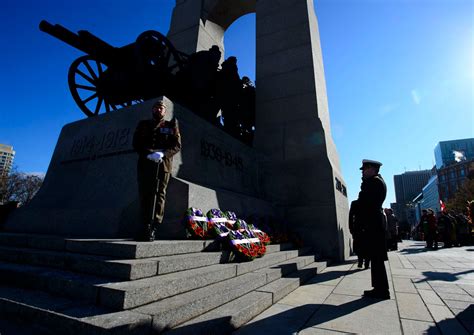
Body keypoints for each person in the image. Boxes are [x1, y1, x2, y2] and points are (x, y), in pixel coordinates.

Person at [132, 100, 181, 241]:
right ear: (152, 110)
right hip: (145, 163)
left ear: (165, 111)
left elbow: (177, 145)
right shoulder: (143, 125)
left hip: (163, 165)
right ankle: (144, 225)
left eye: (161, 108)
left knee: (159, 194)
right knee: (144, 193)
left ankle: (154, 226)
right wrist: (148, 153)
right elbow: (136, 143)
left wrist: (163, 154)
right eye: (156, 107)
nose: (158, 110)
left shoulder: (171, 125)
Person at [356, 159, 390, 300]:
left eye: (364, 169)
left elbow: (366, 204)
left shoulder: (374, 183)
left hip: (373, 225)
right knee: (376, 259)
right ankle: (379, 288)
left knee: (376, 258)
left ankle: (381, 290)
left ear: (371, 169)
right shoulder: (376, 182)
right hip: (374, 223)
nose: (363, 172)